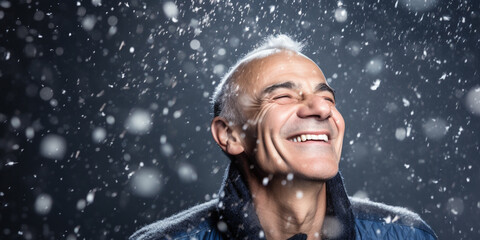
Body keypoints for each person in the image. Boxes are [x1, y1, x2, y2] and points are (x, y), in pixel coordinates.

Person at [130, 35, 437, 240]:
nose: (321, 109)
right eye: (284, 96)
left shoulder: (407, 235)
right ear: (230, 134)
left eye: (327, 98)